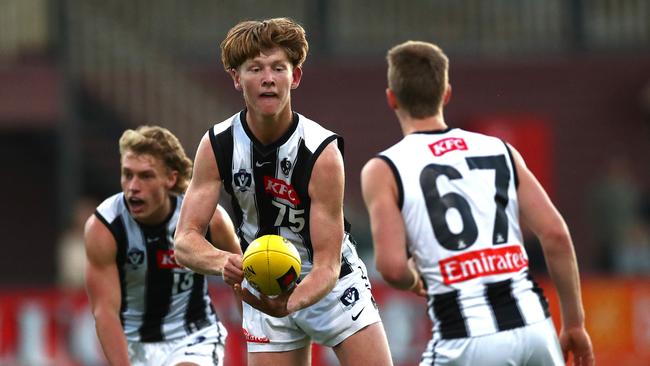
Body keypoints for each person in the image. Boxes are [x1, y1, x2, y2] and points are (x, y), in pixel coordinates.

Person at [174, 17, 392, 366]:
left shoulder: (321, 152)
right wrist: (226, 261)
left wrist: (291, 302)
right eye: (254, 68)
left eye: (278, 68)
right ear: (236, 77)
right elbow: (185, 239)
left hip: (331, 286)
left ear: (296, 76)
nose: (267, 79)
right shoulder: (217, 145)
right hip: (262, 284)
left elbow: (327, 264)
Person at [360, 41, 594, 366]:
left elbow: (392, 267)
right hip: (535, 328)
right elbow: (556, 234)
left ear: (391, 98)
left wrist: (416, 281)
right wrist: (575, 323)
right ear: (446, 94)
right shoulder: (501, 150)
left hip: (465, 337)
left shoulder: (384, 168)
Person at [84, 125, 241, 366]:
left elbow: (242, 279)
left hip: (193, 337)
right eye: (127, 174)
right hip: (132, 345)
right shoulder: (104, 227)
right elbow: (104, 312)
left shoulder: (209, 218)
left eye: (146, 176)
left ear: (171, 178)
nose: (133, 186)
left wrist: (258, 339)